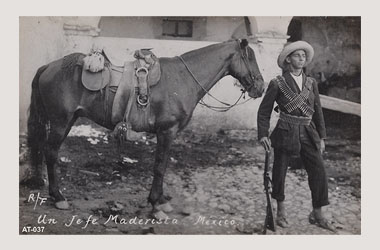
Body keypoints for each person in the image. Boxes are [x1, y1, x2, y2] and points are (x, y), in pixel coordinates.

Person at [257, 41, 335, 231]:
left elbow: (318, 112)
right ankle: (281, 212)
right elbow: (264, 111)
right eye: (297, 55)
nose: (301, 59)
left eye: (303, 56)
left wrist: (322, 138)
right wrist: (263, 134)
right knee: (279, 173)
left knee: (319, 172)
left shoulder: (311, 83)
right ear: (288, 59)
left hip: (309, 132)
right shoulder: (278, 83)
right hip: (285, 130)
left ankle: (317, 213)